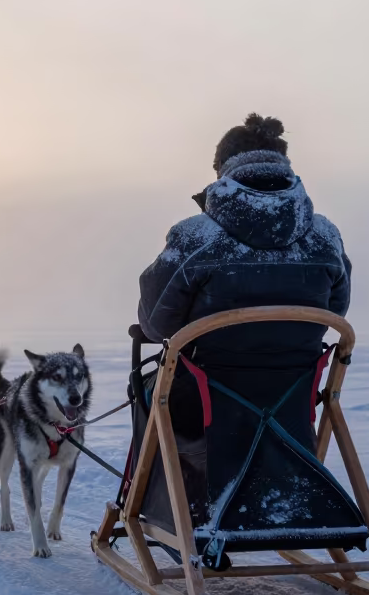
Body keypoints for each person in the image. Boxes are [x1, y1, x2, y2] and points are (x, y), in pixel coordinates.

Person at [133, 114, 352, 527]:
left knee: (147, 390)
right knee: (265, 403)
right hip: (292, 401)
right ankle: (281, 497)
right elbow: (335, 313)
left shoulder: (195, 237)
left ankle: (181, 512)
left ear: (222, 171)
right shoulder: (325, 236)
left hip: (203, 403)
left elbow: (156, 326)